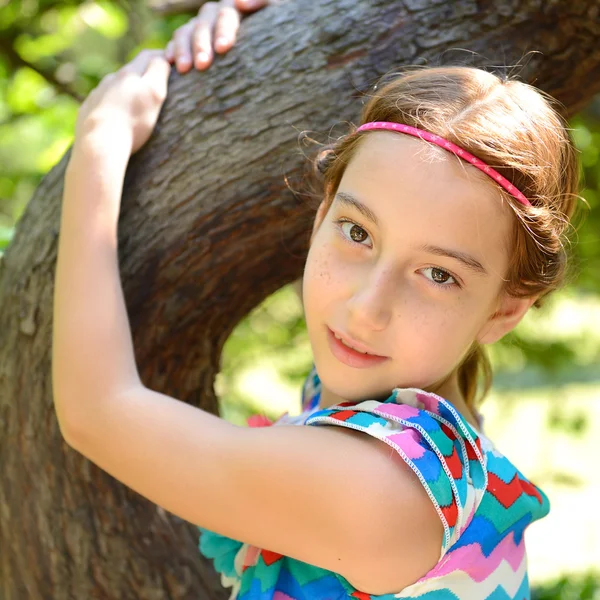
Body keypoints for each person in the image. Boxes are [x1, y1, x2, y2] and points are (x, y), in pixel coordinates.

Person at [51, 2, 582, 599]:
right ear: (323, 210)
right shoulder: (419, 425)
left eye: (437, 274)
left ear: (506, 309)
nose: (366, 309)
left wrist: (99, 139)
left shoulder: (385, 490)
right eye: (357, 233)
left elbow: (96, 411)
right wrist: (248, 34)